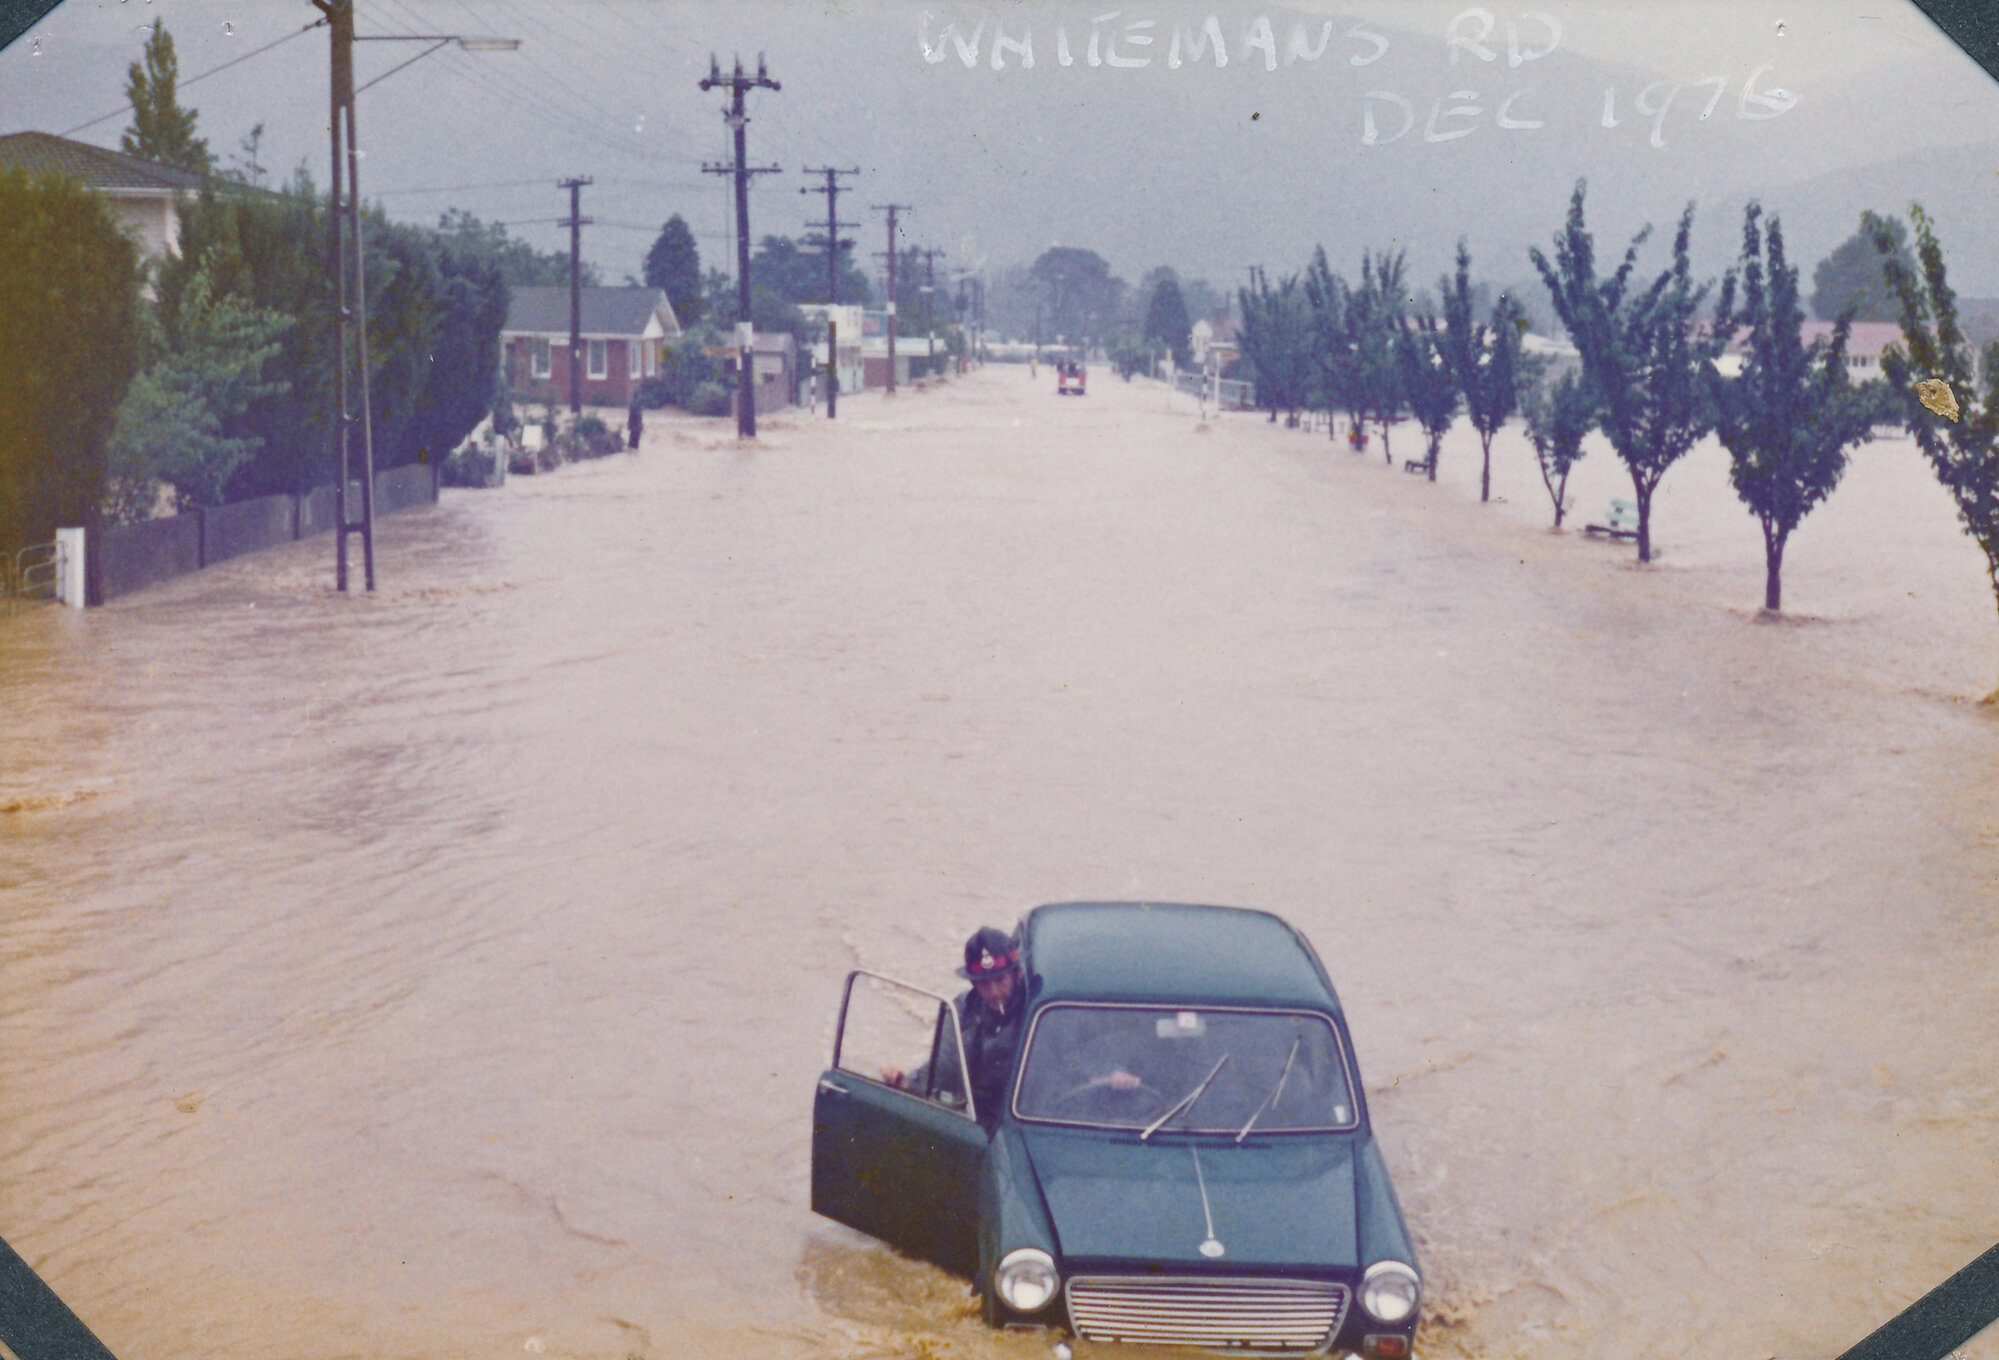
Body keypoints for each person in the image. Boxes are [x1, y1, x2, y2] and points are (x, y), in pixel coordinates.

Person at [885, 926, 1028, 1123]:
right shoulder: (960, 1010)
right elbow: (942, 1068)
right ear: (974, 984)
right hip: (974, 1115)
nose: (994, 992)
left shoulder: (1034, 1010)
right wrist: (905, 1083)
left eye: (1000, 979)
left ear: (1017, 973)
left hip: (1019, 1117)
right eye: (985, 983)